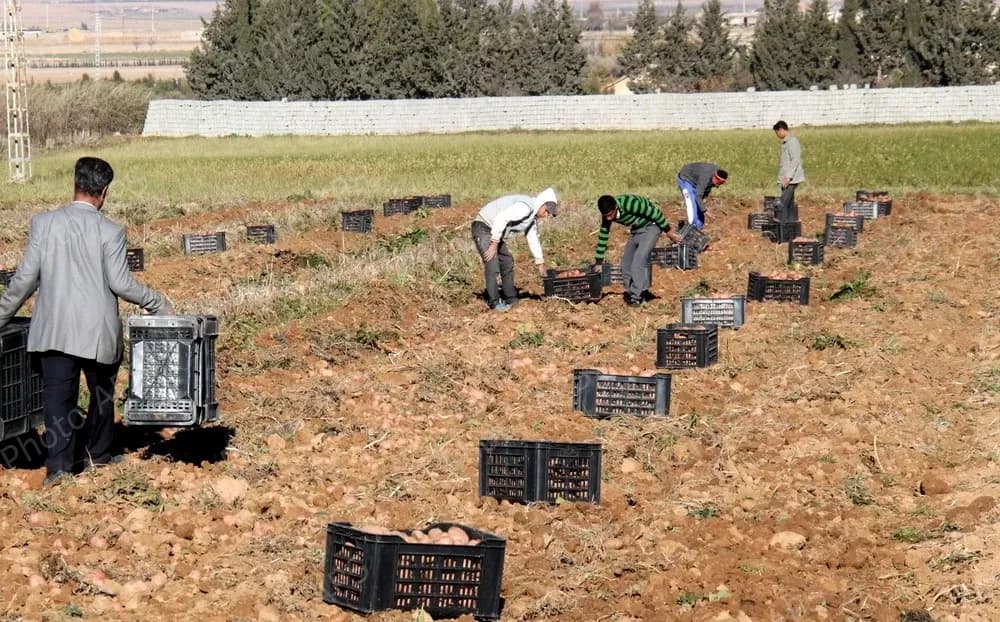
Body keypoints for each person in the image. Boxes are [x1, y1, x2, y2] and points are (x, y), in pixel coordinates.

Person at [0, 157, 173, 486]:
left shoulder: (43, 224)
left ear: (75, 184)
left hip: (54, 330)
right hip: (98, 333)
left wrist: (1, 316)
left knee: (58, 400)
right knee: (102, 394)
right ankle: (99, 453)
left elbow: (23, 281)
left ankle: (59, 468)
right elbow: (121, 284)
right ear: (104, 191)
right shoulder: (111, 231)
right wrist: (157, 303)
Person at [471, 188, 557, 312]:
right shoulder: (525, 207)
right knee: (491, 261)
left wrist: (540, 262)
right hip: (483, 225)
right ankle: (494, 302)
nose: (546, 215)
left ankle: (510, 298)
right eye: (547, 211)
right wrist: (494, 243)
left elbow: (533, 238)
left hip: (493, 230)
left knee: (507, 261)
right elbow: (502, 218)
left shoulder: (531, 218)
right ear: (542, 204)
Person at [594, 194, 681, 307]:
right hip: (636, 229)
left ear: (616, 207)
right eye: (605, 216)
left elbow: (655, 213)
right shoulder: (607, 214)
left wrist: (670, 234)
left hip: (651, 227)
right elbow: (603, 235)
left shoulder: (629, 204)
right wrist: (598, 262)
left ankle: (636, 298)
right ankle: (637, 292)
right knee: (625, 265)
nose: (608, 219)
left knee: (638, 262)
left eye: (610, 215)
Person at [677, 162, 728, 231]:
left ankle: (698, 229)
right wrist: (706, 212)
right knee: (692, 206)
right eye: (717, 183)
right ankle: (690, 230)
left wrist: (704, 197)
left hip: (697, 183)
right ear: (715, 177)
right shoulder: (705, 176)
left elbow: (708, 186)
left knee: (699, 208)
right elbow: (698, 196)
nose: (717, 186)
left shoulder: (716, 175)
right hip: (686, 179)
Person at [773, 120, 805, 223]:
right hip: (786, 178)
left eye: (777, 133)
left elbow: (795, 160)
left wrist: (788, 177)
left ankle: (783, 224)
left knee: (783, 203)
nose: (777, 135)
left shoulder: (792, 142)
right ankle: (790, 224)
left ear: (781, 130)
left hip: (791, 179)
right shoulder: (786, 142)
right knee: (790, 204)